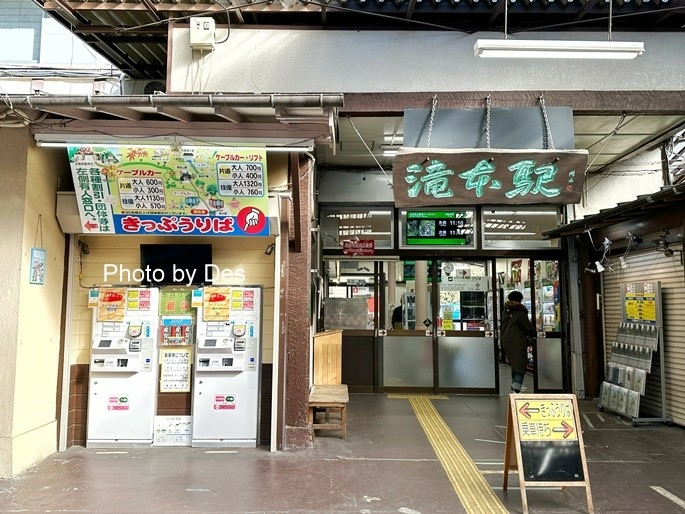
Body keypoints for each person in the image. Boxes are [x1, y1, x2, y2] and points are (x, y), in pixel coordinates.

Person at [500, 290, 536, 393]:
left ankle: (514, 385)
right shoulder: (519, 311)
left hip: (506, 340)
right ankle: (517, 388)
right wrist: (534, 333)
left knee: (514, 363)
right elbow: (527, 327)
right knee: (520, 364)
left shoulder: (506, 311)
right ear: (520, 299)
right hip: (517, 341)